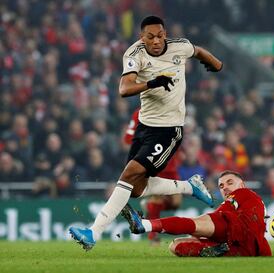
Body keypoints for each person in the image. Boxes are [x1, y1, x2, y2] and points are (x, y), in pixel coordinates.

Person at [69, 15, 223, 250]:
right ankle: (189, 187)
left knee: (129, 174)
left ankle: (93, 232)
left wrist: (215, 63)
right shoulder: (134, 54)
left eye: (160, 35)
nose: (156, 41)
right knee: (138, 189)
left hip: (169, 129)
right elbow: (124, 88)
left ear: (165, 34)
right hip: (144, 126)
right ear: (142, 37)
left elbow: (198, 50)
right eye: (150, 37)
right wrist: (152, 83)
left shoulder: (179, 46)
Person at [121, 170, 272, 257]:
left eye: (229, 182)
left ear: (242, 184)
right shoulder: (241, 204)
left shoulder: (244, 193)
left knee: (195, 224)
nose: (224, 187)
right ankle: (215, 252)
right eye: (221, 185)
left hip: (239, 230)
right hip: (245, 249)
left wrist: (198, 230)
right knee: (175, 246)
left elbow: (213, 220)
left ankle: (145, 224)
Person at [125, 108, 183, 244]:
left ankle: (149, 206)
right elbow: (128, 138)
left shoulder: (172, 108)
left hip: (170, 162)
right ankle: (153, 237)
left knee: (176, 203)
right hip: (154, 159)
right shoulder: (140, 113)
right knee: (157, 197)